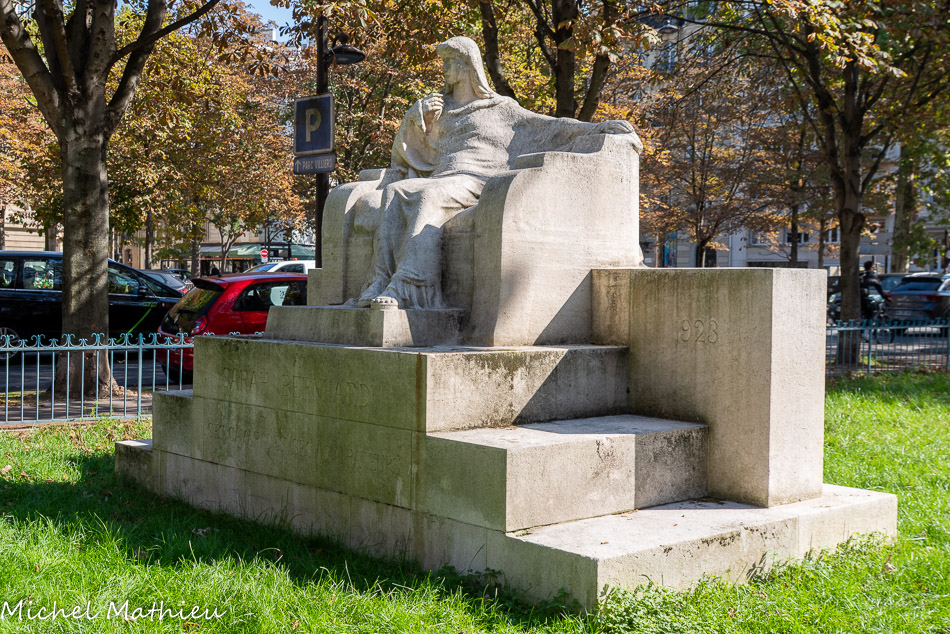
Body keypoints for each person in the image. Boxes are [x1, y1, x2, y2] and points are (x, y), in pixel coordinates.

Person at [354, 36, 639, 310]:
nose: (444, 68)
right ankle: (380, 280)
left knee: (429, 195)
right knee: (395, 190)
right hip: (444, 177)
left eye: (450, 61)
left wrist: (594, 128)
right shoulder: (439, 109)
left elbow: (548, 126)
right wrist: (415, 118)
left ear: (468, 65)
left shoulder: (500, 108)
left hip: (477, 179)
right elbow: (406, 154)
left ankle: (409, 285)